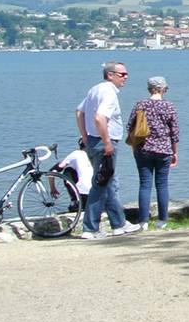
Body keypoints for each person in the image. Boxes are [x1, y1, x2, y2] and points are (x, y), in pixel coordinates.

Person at [74, 61, 138, 239]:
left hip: (93, 142)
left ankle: (119, 224)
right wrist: (107, 142)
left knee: (109, 183)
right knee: (100, 185)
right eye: (122, 74)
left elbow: (79, 112)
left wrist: (85, 137)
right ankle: (90, 228)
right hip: (104, 144)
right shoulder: (108, 92)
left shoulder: (95, 89)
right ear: (110, 75)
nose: (126, 77)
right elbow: (100, 117)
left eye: (126, 74)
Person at [127, 75, 180, 229]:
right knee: (162, 184)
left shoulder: (140, 104)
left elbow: (130, 126)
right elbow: (174, 132)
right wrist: (174, 152)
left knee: (144, 184)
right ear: (162, 89)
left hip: (143, 149)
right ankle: (162, 220)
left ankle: (143, 221)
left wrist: (134, 147)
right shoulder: (169, 106)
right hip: (164, 150)